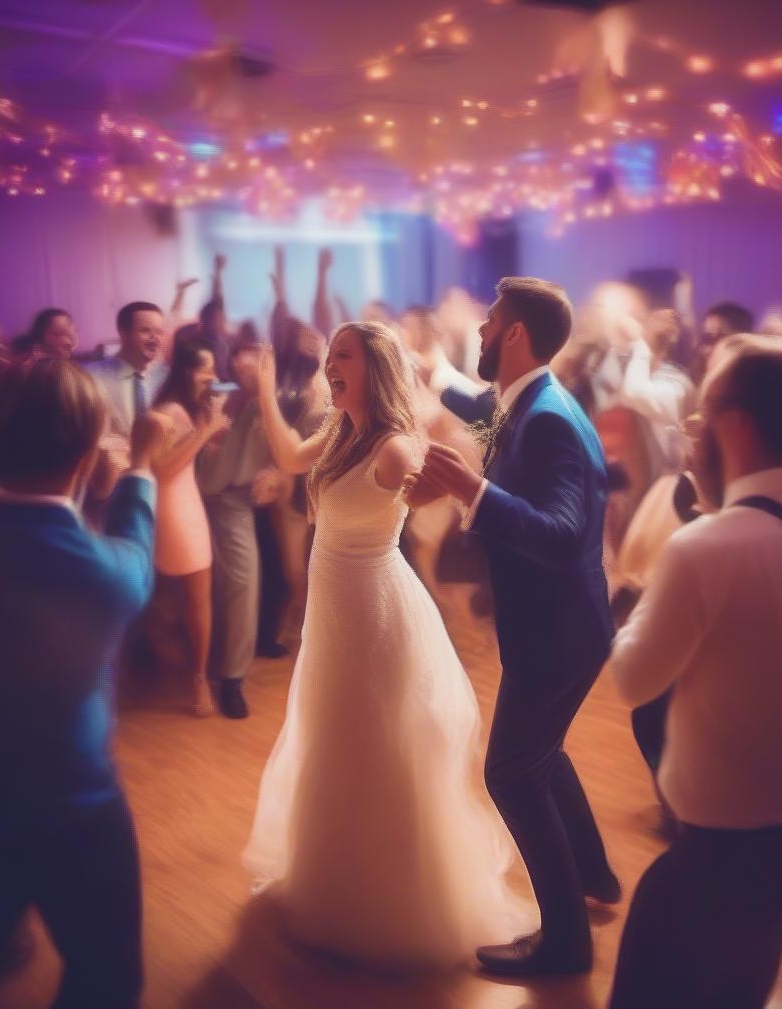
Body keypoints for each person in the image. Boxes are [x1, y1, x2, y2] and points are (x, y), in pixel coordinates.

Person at [605, 335, 782, 1008]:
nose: (694, 431)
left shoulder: (708, 547)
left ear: (736, 424)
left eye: (703, 414)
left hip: (724, 852)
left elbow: (631, 680)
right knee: (742, 980)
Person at [243, 321, 525, 968]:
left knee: (372, 742)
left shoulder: (395, 446)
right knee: (333, 737)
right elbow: (288, 459)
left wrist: (454, 493)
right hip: (336, 606)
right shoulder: (342, 431)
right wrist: (262, 388)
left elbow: (445, 489)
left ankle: (387, 897)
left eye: (342, 356)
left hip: (374, 609)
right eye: (328, 358)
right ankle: (334, 877)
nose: (329, 368)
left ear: (374, 367)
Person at [0, 358, 163, 1009]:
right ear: (93, 452)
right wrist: (142, 463)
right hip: (76, 807)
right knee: (107, 976)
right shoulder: (104, 575)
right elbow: (136, 552)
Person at [408, 276, 620, 977]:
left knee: (511, 773)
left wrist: (470, 489)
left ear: (516, 333)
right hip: (559, 625)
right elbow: (487, 430)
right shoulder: (525, 401)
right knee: (543, 756)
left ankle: (564, 943)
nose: (480, 330)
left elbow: (561, 535)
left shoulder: (550, 415)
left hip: (559, 633)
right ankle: (593, 876)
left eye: (490, 321)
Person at [196, 340, 285, 720]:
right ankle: (215, 672)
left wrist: (278, 474)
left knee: (244, 582)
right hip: (201, 496)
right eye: (245, 367)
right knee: (222, 586)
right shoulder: (218, 400)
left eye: (259, 368)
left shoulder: (275, 405)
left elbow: (290, 453)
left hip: (239, 502)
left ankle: (231, 677)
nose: (251, 373)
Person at [150, 329, 228, 716]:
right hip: (173, 507)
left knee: (186, 595)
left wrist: (210, 436)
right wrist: (205, 432)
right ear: (185, 371)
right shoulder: (168, 412)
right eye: (206, 370)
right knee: (190, 595)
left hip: (184, 504)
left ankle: (189, 670)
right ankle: (193, 675)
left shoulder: (187, 407)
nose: (212, 377)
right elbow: (162, 469)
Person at [88, 302, 169, 441]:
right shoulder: (91, 377)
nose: (155, 339)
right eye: (145, 330)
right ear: (123, 333)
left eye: (159, 332)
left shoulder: (167, 376)